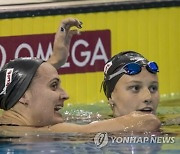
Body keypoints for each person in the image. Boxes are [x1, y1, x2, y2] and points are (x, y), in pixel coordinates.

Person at [102, 51, 159, 118]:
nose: (148, 98)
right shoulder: (92, 124)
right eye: (135, 88)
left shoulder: (170, 122)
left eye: (153, 88)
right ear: (111, 96)